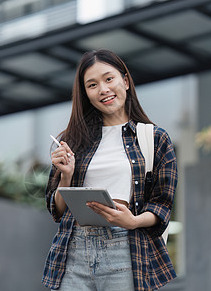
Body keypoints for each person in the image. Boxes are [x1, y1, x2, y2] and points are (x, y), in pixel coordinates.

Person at [42, 49, 178, 290]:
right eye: (92, 85)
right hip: (74, 251)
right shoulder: (73, 139)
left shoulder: (155, 139)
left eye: (109, 79)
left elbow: (162, 206)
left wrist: (133, 221)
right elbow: (58, 210)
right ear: (85, 93)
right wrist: (67, 175)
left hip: (125, 250)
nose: (103, 89)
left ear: (125, 81)